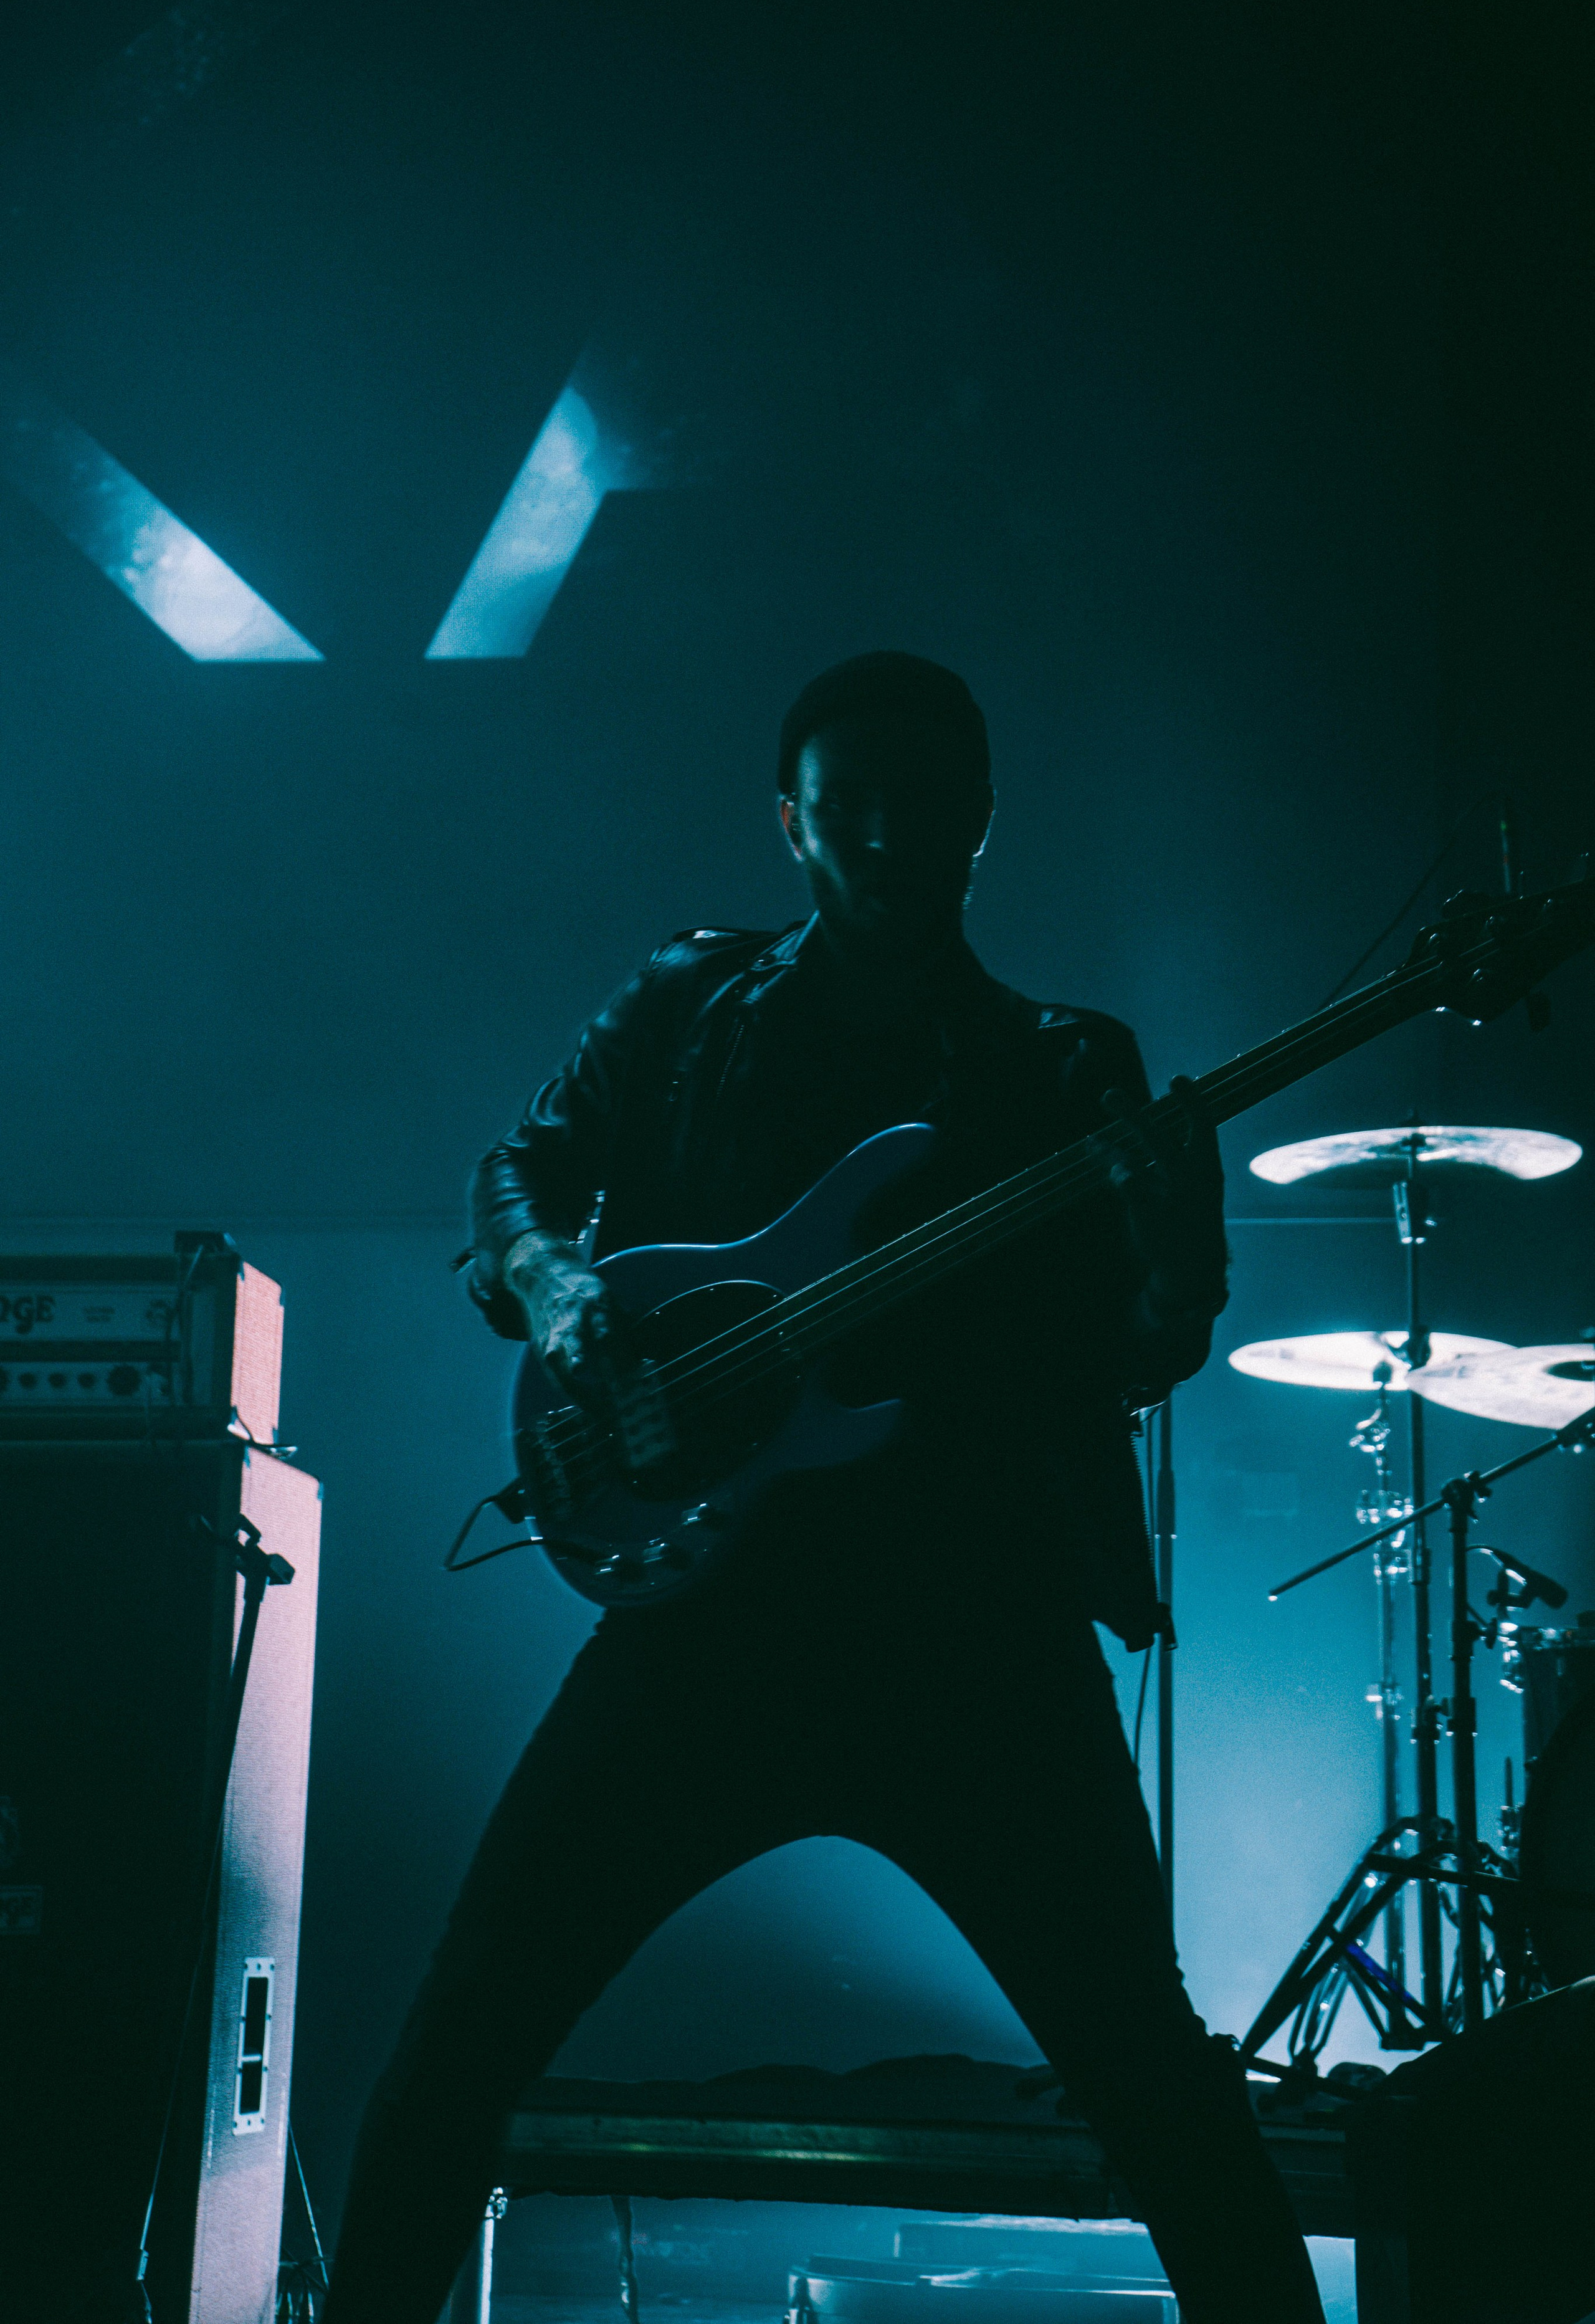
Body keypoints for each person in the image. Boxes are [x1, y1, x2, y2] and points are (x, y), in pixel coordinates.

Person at [323, 652, 1325, 2323]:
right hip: (708, 1622)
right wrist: (566, 1298)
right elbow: (524, 1166)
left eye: (917, 803)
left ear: (979, 830)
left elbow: (1134, 1355)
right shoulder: (686, 1000)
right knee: (455, 2050)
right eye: (844, 803)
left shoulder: (1069, 1069)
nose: (881, 834)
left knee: (1160, 2093)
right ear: (790, 824)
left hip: (975, 1634)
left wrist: (1174, 1263)